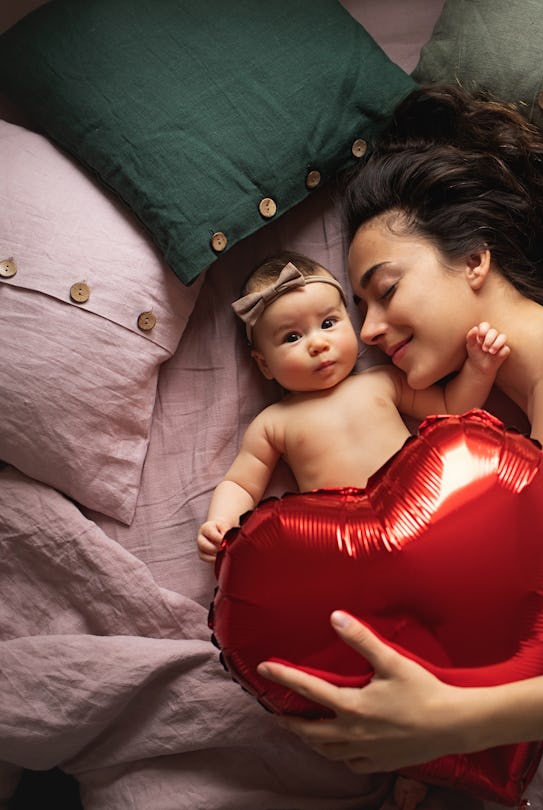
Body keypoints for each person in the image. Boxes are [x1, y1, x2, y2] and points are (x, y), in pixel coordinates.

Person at [254, 86, 543, 809]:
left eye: (384, 290)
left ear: (473, 258)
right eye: (361, 310)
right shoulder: (511, 420)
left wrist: (452, 717)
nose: (369, 330)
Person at [197, 251, 509, 810]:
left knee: (463, 626)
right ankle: (421, 760)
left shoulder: (382, 383)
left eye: (328, 323)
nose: (317, 343)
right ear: (262, 365)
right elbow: (244, 484)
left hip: (428, 525)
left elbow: (449, 409)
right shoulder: (276, 423)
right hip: (352, 558)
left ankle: (483, 720)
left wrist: (479, 371)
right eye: (290, 338)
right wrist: (223, 521)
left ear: (352, 327)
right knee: (383, 654)